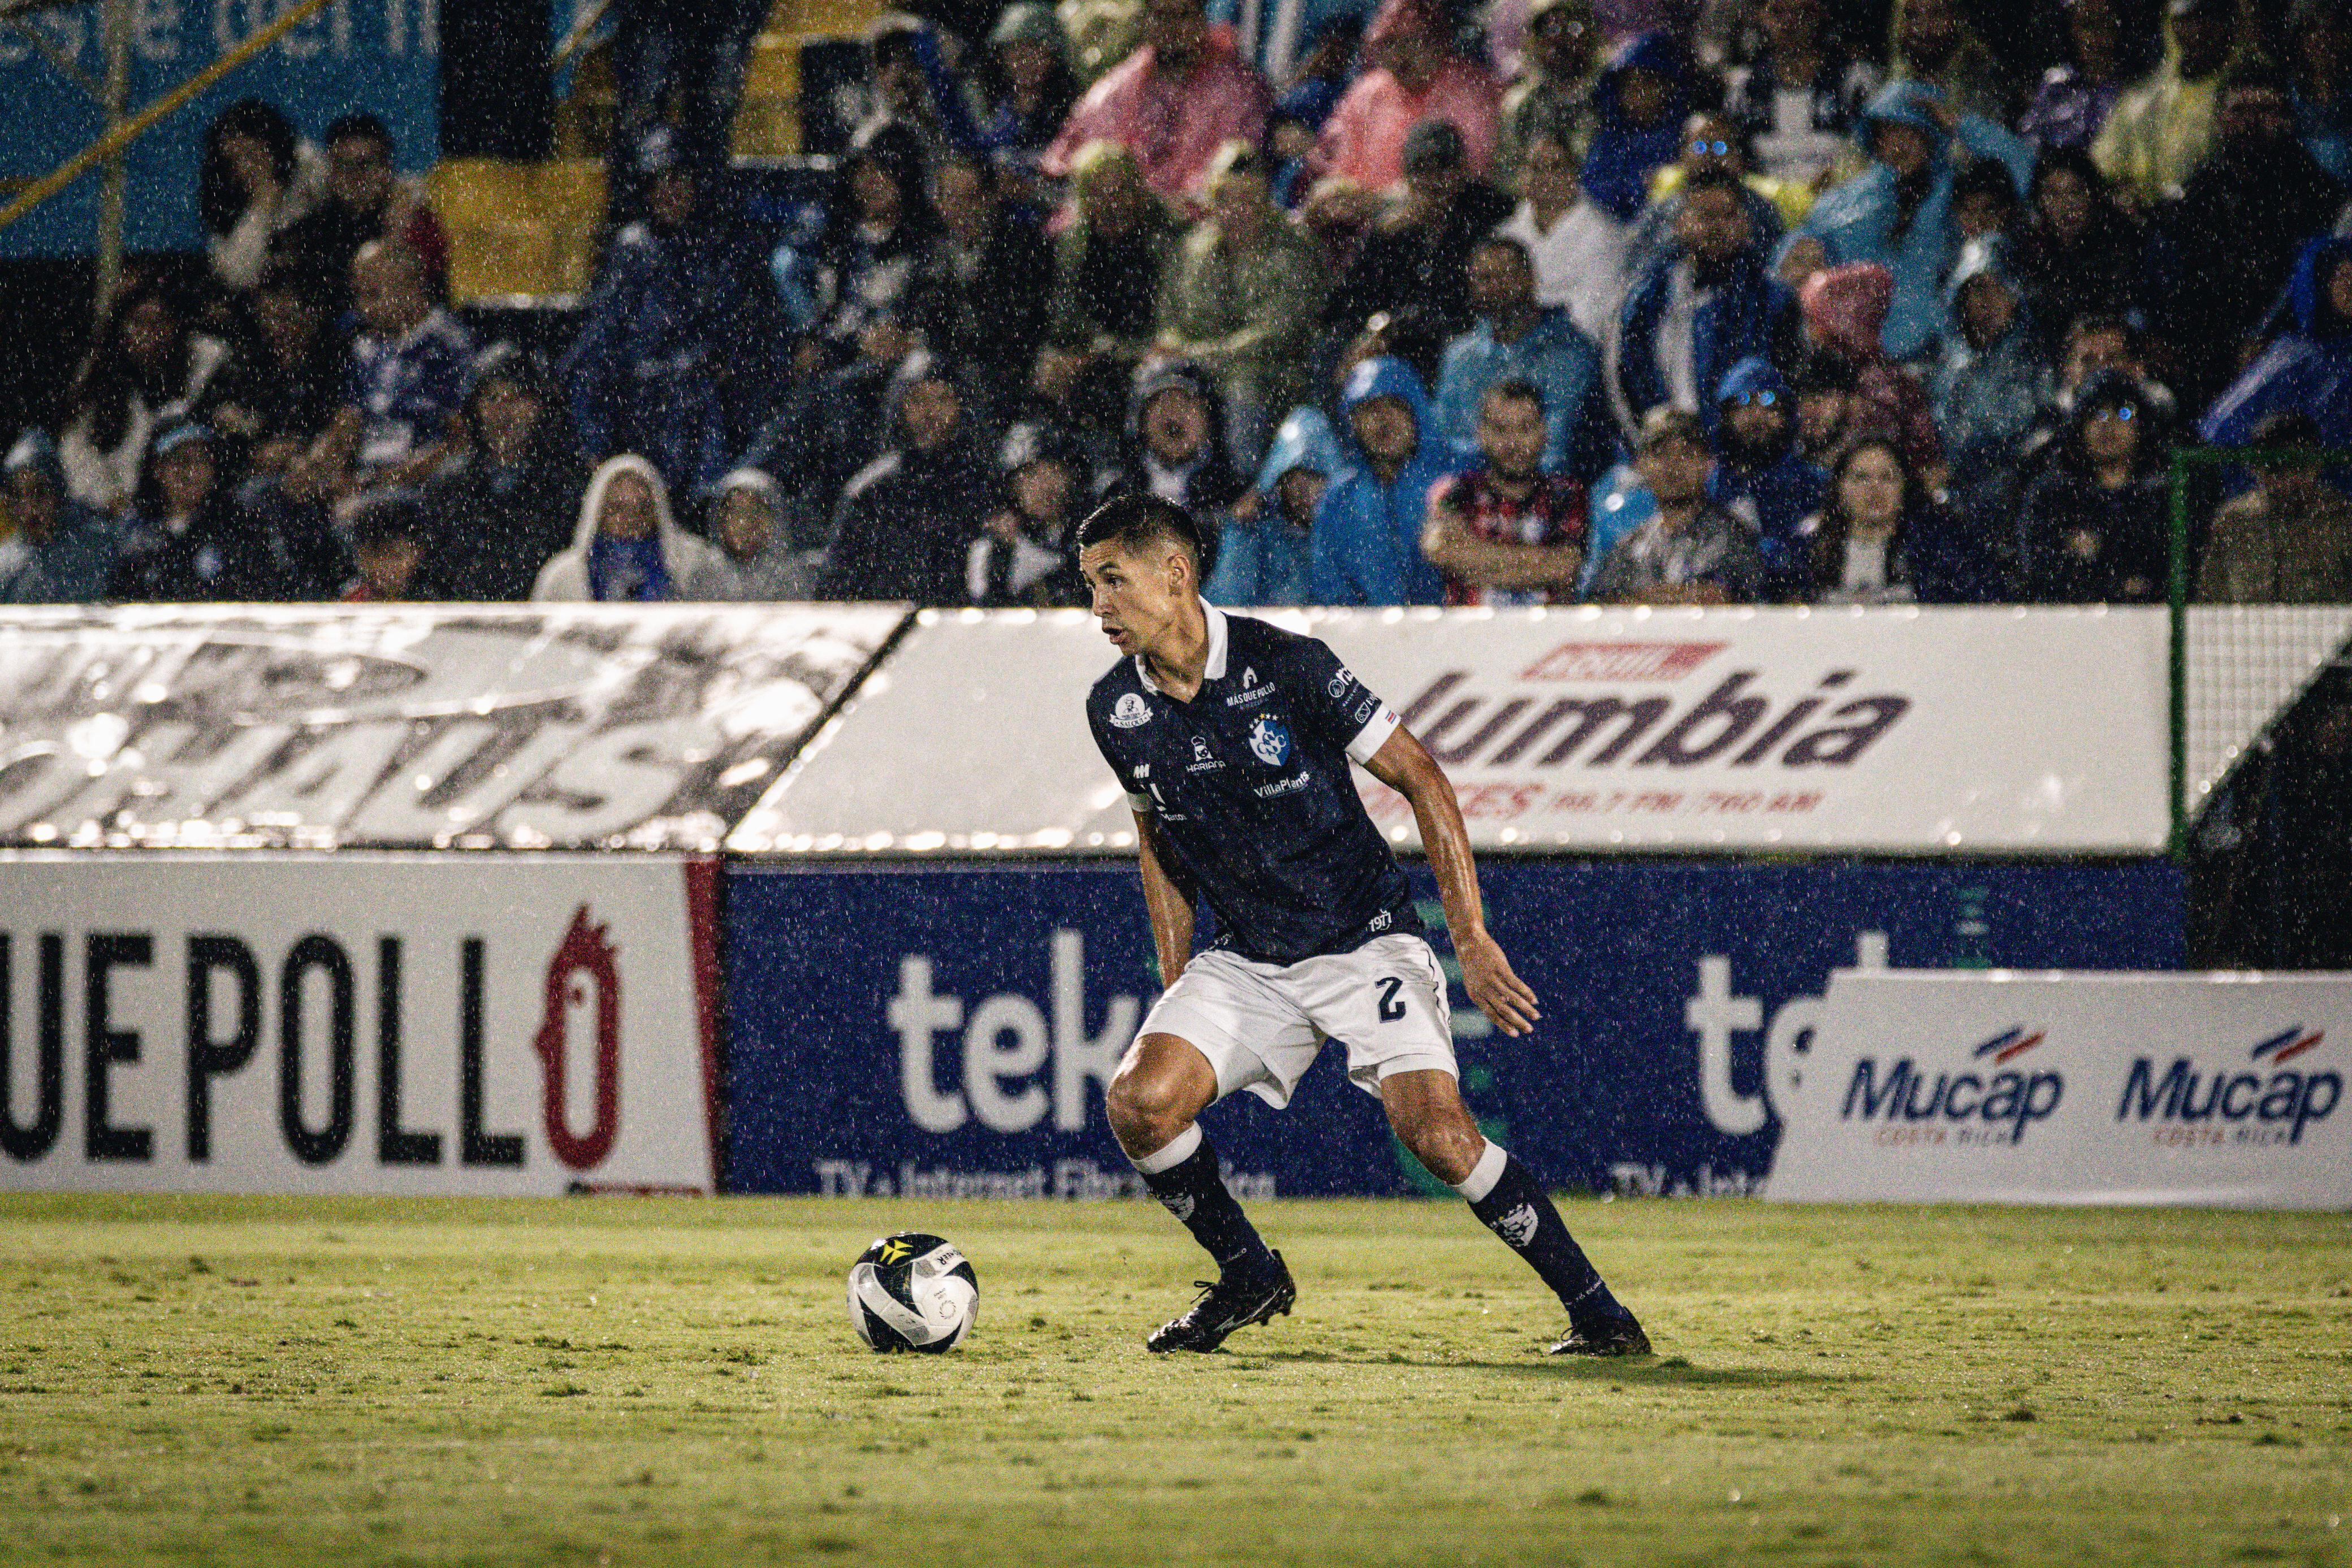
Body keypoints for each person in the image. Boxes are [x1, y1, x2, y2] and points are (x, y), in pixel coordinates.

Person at [1075, 491, 1649, 1357]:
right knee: (1139, 1105)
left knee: (1442, 1138)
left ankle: (1600, 1313)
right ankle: (1248, 1272)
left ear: (1176, 574)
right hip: (1249, 961)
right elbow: (1157, 837)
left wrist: (1471, 938)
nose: (1098, 608)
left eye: (1113, 582)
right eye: (1089, 585)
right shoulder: (1115, 708)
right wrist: (1178, 976)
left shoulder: (1290, 665)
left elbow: (1425, 778)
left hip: (1364, 940)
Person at [567, 129, 769, 500]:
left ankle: (708, 503)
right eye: (658, 182)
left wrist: (711, 365)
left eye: (679, 181)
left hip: (702, 413)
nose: (670, 193)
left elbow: (741, 339)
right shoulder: (633, 250)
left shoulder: (723, 249)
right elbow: (595, 350)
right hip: (639, 411)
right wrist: (595, 444)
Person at [1778, 82, 2035, 364]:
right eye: (1888, 134)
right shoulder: (1848, 199)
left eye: (1911, 133)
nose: (1899, 145)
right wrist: (1792, 253)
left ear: (1934, 135)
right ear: (1874, 142)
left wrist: (1962, 124)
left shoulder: (1960, 191)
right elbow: (1795, 253)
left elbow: (2026, 172)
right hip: (1857, 363)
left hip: (1939, 358)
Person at [2158, 64, 2349, 415]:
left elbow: (2323, 290)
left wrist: (2270, 343)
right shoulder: (2198, 196)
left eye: (2265, 110)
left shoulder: (2320, 195)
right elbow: (2181, 288)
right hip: (2211, 355)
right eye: (2240, 111)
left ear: (2288, 118)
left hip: (2297, 355)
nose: (2252, 122)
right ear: (2220, 121)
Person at [1156, 144, 1328, 467]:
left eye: (1247, 201)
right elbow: (1170, 315)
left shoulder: (1294, 249)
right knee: (1156, 384)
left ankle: (1246, 487)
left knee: (1242, 389)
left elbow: (1277, 334)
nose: (1236, 211)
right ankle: (1167, 483)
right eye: (1225, 200)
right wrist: (1173, 348)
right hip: (1202, 365)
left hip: (1277, 370)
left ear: (1266, 202)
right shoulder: (1193, 249)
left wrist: (1200, 355)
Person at [1609, 168, 1803, 438]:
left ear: (1746, 224)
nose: (1717, 227)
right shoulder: (1648, 298)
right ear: (1679, 224)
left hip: (1746, 455)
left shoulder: (1774, 300)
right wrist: (1649, 441)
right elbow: (1624, 379)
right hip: (1667, 455)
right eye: (1705, 216)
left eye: (1729, 216)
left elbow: (1787, 387)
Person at [287, 240, 474, 506]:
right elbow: (348, 424)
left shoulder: (449, 343)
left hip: (425, 484)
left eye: (373, 294)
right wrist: (314, 466)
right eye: (359, 296)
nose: (363, 308)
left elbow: (460, 438)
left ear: (411, 287)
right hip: (368, 480)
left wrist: (384, 482)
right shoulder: (366, 348)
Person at [1041, 0, 1271, 206]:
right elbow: (1071, 153)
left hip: (1197, 224)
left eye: (1183, 15)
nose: (1173, 29)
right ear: (1146, 22)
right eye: (1161, 16)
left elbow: (1231, 171)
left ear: (1202, 20)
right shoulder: (1126, 82)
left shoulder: (1235, 87)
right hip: (1130, 221)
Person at [415, 344, 589, 602]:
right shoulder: (449, 486)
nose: (505, 412)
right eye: (492, 398)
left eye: (518, 397)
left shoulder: (572, 482)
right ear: (475, 408)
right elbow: (436, 577)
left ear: (541, 406)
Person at [820, 351, 996, 603]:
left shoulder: (986, 486)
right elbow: (837, 585)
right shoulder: (872, 490)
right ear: (900, 407)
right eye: (918, 401)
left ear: (962, 406)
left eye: (942, 400)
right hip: (889, 627)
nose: (930, 414)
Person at [1037, 141, 1185, 431]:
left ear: (1138, 194)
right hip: (1101, 355)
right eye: (1099, 194)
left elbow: (1172, 325)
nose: (1112, 204)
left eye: (1120, 191)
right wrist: (1076, 354)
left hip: (1157, 356)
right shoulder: (1076, 245)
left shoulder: (1168, 238)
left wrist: (1104, 354)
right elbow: (1066, 319)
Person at [1326, 120, 1518, 340]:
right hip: (1401, 343)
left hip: (1469, 338)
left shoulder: (1489, 211)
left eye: (1442, 169)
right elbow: (1351, 300)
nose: (1433, 181)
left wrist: (1397, 328)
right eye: (1422, 171)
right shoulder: (1393, 227)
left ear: (1461, 170)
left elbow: (1462, 302)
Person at [1434, 236, 1608, 479]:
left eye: (1506, 274)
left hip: (1553, 498)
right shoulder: (1460, 357)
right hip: (1472, 499)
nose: (1496, 286)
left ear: (1531, 278)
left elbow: (1558, 449)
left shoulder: (1572, 353)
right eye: (1485, 279)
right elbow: (1444, 441)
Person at [59, 278, 234, 515]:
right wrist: (109, 497)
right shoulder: (98, 379)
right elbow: (75, 451)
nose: (150, 334)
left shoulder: (207, 364)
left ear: (177, 325)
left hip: (196, 507)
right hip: (119, 513)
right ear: (122, 329)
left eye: (160, 323)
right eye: (139, 324)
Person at [1930, 236, 2051, 558]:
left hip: (2014, 493)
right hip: (1953, 495)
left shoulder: (2038, 361)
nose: (1987, 301)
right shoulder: (1945, 364)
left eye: (1998, 289)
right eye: (1977, 290)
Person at [1422, 379, 1588, 603]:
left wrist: (1473, 562)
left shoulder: (1566, 494)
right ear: (1481, 433)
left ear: (1545, 431)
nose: (1513, 442)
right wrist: (1538, 566)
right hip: (1468, 635)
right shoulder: (1455, 491)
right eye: (1500, 429)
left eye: (1525, 428)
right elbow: (1440, 549)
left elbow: (1566, 567)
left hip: (1547, 635)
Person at [1314, 355, 1462, 603]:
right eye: (1370, 410)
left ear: (1416, 412)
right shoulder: (1339, 500)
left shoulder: (1457, 476)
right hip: (1369, 637)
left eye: (1394, 406)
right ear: (1354, 424)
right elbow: (1330, 592)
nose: (1384, 421)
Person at [1315, 0, 1502, 192]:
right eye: (1390, 44)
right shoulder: (1366, 93)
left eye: (1413, 42)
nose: (1401, 56)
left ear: (1439, 43)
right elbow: (1337, 168)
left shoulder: (1471, 91)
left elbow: (1473, 172)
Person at [272, 112, 449, 315]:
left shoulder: (413, 223)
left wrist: (397, 239)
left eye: (366, 164)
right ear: (330, 171)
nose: (356, 176)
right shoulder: (308, 234)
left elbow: (431, 298)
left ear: (387, 168)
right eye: (344, 165)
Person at [2015, 369, 2168, 603]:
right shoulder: (2052, 495)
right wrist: (2115, 586)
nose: (2109, 426)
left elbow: (2166, 575)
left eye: (2124, 414)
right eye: (2098, 414)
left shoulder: (2162, 496)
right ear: (2079, 426)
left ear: (2142, 427)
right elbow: (2042, 574)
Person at [1590, 407, 1767, 603]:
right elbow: (1603, 607)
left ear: (1708, 464)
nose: (1674, 465)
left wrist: (1646, 601)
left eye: (1687, 453)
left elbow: (1746, 604)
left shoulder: (1735, 539)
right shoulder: (1629, 549)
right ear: (1641, 466)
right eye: (1661, 454)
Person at [1797, 262, 1946, 486]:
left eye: (1816, 320)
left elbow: (1931, 468)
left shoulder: (1885, 386)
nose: (1812, 331)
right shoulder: (1892, 380)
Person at [2201, 236, 2352, 456]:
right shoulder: (2292, 356)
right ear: (2322, 284)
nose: (2349, 288)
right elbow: (2224, 429)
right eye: (2343, 277)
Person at [1622, 111, 1806, 291]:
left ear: (1739, 157)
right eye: (1699, 147)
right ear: (1682, 155)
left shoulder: (1761, 211)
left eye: (1721, 147)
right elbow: (1634, 279)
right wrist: (1682, 246)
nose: (1710, 156)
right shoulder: (1663, 213)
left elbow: (1777, 275)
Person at [2090, 0, 2243, 211]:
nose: (2198, 30)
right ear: (2171, 26)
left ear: (2228, 23)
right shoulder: (2145, 93)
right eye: (2186, 21)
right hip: (2151, 222)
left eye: (2207, 18)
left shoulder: (2247, 85)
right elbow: (2105, 165)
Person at [1799, 436, 1988, 603]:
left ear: (1905, 487)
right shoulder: (1809, 552)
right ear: (1840, 488)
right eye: (1861, 478)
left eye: (1887, 478)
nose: (1874, 489)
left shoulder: (1935, 553)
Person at [531, 454, 737, 602]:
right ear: (597, 513)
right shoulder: (563, 577)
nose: (629, 518)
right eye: (616, 508)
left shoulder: (695, 565)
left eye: (642, 507)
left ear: (659, 511)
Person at [206, 263, 347, 479]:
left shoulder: (336, 359)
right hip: (251, 470)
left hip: (314, 470)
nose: (278, 329)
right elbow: (213, 412)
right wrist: (246, 433)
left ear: (314, 314)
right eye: (268, 318)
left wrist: (298, 448)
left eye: (287, 317)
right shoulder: (248, 361)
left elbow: (342, 423)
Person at [928, 153, 1054, 392]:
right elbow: (928, 314)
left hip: (1008, 366)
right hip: (950, 364)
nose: (960, 209)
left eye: (969, 198)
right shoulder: (933, 253)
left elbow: (1021, 323)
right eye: (951, 199)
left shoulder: (1023, 247)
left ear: (990, 199)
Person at [2007, 149, 2148, 361]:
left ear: (2093, 196)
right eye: (2053, 194)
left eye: (2074, 192)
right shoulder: (2029, 251)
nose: (2065, 206)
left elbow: (2132, 317)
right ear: (2039, 202)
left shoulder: (2123, 242)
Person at [1720, 0, 1880, 187]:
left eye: (1803, 11)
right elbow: (1732, 159)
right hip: (1767, 204)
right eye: (1778, 12)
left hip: (1840, 200)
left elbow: (1874, 152)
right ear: (1760, 16)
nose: (1791, 21)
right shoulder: (1743, 85)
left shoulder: (1855, 80)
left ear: (1823, 13)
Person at [2197, 412, 2352, 602]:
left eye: (2296, 467)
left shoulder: (2341, 518)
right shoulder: (2234, 520)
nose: (2284, 480)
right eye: (2273, 469)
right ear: (2255, 469)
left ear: (2317, 465)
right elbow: (2211, 598)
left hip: (2326, 630)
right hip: (2247, 628)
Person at [1498, 129, 1631, 346]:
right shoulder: (1507, 235)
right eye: (1535, 168)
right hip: (1513, 347)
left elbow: (1598, 314)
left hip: (1573, 349)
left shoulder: (1603, 233)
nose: (1544, 178)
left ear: (1574, 174)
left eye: (1555, 168)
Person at [1710, 356, 1828, 597]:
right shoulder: (1709, 487)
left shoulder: (1818, 485)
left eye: (1769, 405)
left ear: (1788, 416)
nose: (1757, 417)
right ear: (1725, 417)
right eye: (1744, 405)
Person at [1206, 406, 1335, 604]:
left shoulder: (1345, 533)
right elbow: (1228, 600)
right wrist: (1239, 531)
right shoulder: (1257, 534)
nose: (1304, 492)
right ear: (1279, 484)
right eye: (1293, 480)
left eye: (1314, 478)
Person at [197, 99, 325, 295]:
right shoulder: (224, 218)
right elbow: (239, 277)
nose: (248, 167)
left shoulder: (306, 169)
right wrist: (263, 206)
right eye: (235, 161)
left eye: (252, 155)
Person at [1105, 360, 1251, 530]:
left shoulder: (1237, 494)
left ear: (1209, 420)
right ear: (1141, 422)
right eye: (1162, 405)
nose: (1174, 415)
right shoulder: (1114, 491)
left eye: (1185, 405)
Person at [1577, 32, 1698, 224]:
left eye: (1648, 83)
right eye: (1630, 85)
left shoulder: (1688, 133)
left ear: (1669, 86)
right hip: (1613, 233)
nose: (1639, 94)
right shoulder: (1609, 140)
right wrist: (1640, 188)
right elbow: (1594, 186)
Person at [969, 422, 1090, 605]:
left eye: (1054, 472)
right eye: (1033, 475)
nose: (1046, 486)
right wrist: (1002, 555)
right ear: (1013, 486)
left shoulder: (1090, 535)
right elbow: (986, 615)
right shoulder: (991, 547)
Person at [0, 431, 118, 604]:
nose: (30, 508)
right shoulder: (5, 565)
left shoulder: (96, 549)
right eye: (18, 496)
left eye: (39, 492)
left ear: (58, 495)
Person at [1494, 0, 1601, 188]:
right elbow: (1510, 180)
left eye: (1574, 28)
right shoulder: (1522, 106)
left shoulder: (1611, 93)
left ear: (1591, 34)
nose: (1563, 41)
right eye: (1551, 30)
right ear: (1535, 42)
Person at [2016, 0, 2134, 153]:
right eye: (2088, 26)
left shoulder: (2130, 89)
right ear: (2072, 29)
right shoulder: (2056, 84)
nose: (2095, 39)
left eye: (2105, 26)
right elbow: (2029, 140)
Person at [982, 3, 1084, 176]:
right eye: (1014, 50)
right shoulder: (997, 109)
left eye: (1032, 49)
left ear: (1052, 54)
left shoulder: (1073, 108)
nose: (1023, 60)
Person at [1884, 0, 2011, 127]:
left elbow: (1991, 138)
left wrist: (1954, 123)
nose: (1923, 28)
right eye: (1911, 15)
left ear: (1955, 16)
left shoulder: (1978, 65)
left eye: (1936, 14)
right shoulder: (1900, 63)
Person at [712, 467, 822, 600]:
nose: (745, 523)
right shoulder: (703, 575)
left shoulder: (796, 579)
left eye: (756, 513)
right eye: (737, 514)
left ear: (776, 520)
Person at [2290, 0, 2352, 186]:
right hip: (2304, 193)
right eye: (2312, 30)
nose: (2323, 39)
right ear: (2298, 39)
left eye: (2332, 29)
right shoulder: (2286, 94)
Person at [340, 489, 425, 602]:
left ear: (417, 554)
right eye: (378, 557)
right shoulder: (355, 601)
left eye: (397, 557)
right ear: (363, 558)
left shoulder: (434, 596)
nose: (387, 567)